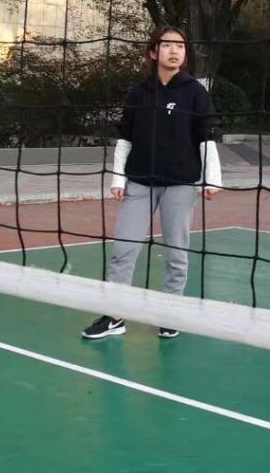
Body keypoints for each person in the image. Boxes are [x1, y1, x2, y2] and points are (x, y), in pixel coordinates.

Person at [82, 25, 221, 341]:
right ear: (153, 52)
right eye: (168, 45)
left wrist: (211, 179)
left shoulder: (195, 92)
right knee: (123, 250)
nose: (175, 51)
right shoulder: (138, 93)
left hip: (180, 185)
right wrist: (118, 178)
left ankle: (169, 313)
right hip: (139, 183)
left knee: (176, 252)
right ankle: (115, 316)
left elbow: (207, 137)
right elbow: (125, 138)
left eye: (180, 46)